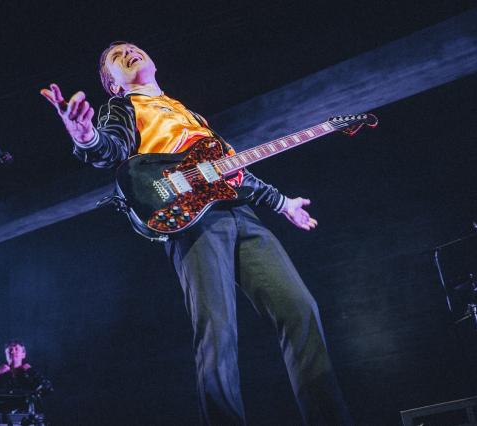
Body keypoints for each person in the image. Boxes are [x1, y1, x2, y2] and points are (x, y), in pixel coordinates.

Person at [41, 42, 351, 425]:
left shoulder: (189, 113)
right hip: (189, 217)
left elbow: (233, 169)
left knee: (300, 308)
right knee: (218, 331)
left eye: (134, 48)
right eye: (117, 57)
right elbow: (111, 149)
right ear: (113, 84)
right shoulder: (123, 107)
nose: (129, 53)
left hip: (239, 211)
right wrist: (85, 136)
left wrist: (282, 202)